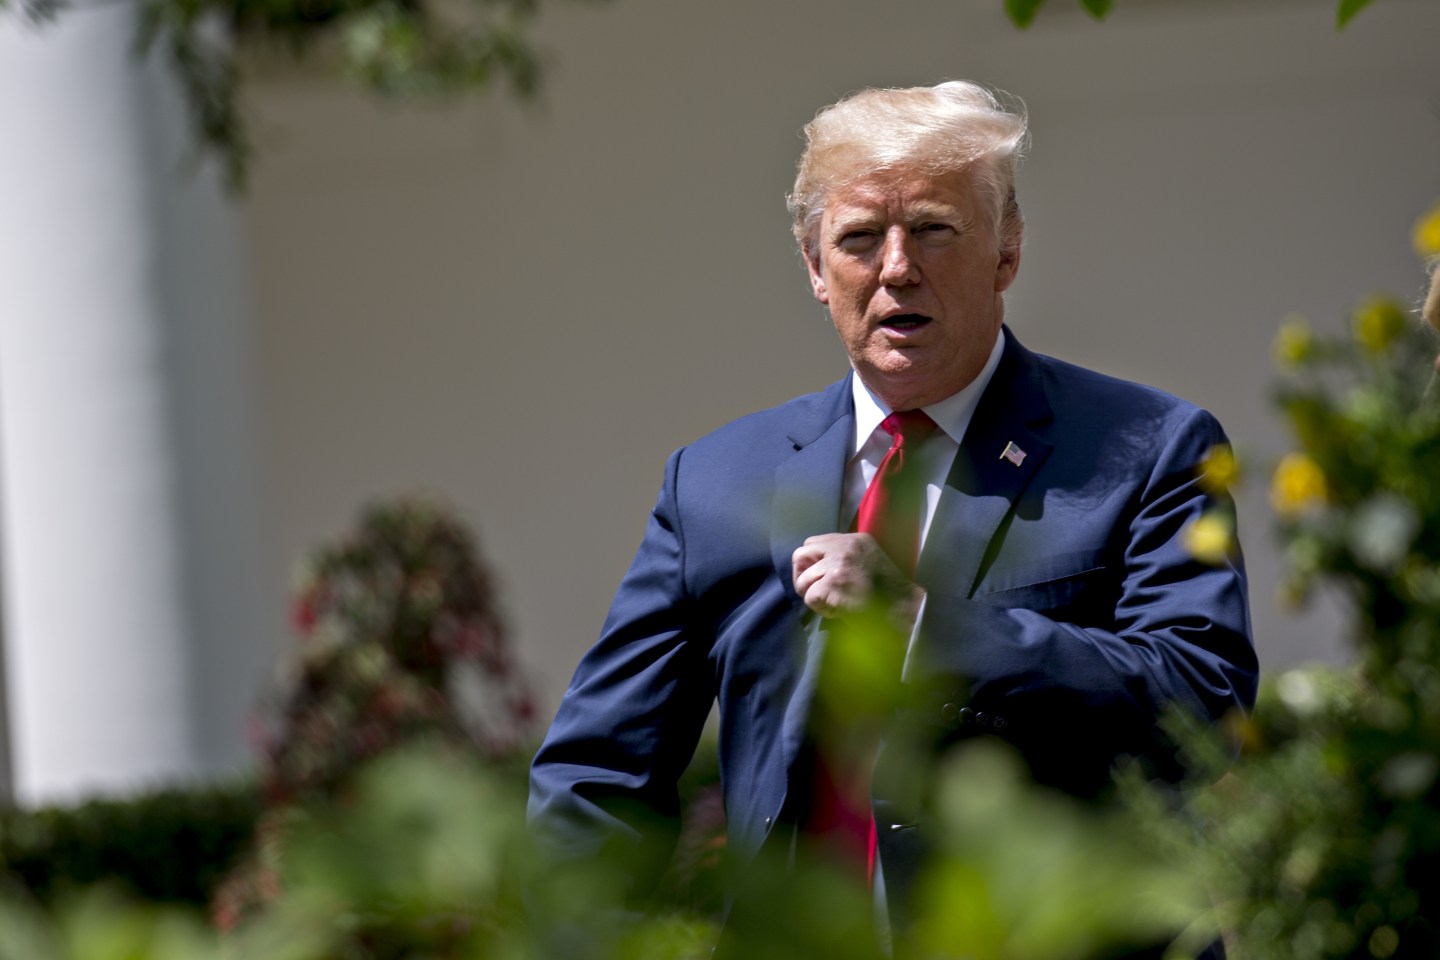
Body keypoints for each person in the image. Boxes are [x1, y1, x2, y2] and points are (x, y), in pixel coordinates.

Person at [528, 80, 1258, 950]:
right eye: (860, 239)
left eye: (935, 230)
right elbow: (594, 775)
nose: (897, 267)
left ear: (1008, 251)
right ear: (813, 267)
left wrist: (924, 628)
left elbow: (1200, 708)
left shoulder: (1147, 448)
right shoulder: (715, 483)